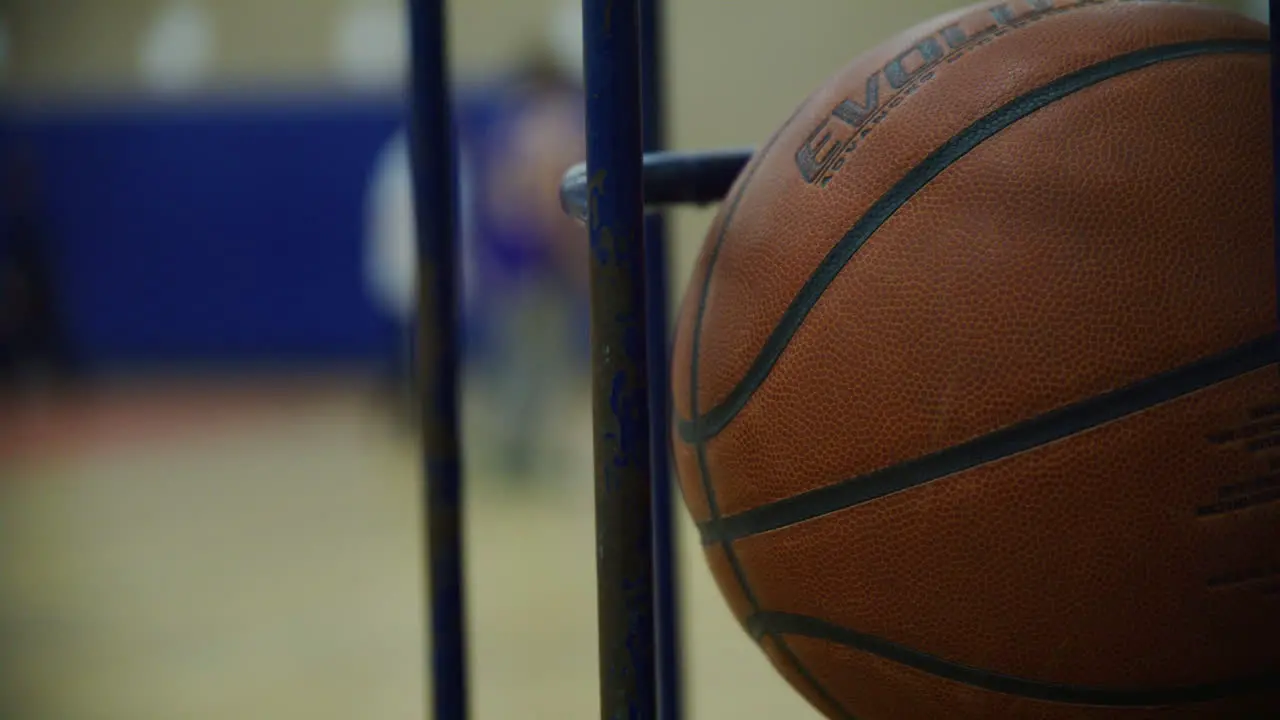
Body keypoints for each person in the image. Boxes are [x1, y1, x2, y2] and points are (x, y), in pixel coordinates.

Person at [363, 6, 589, 484]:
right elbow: (547, 206)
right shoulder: (551, 126)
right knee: (534, 361)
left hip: (507, 264)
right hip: (533, 263)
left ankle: (512, 453)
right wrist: (574, 264)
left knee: (518, 361)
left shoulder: (512, 126)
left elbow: (502, 200)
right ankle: (518, 456)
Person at [0, 147, 78, 391]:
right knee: (29, 331)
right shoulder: (18, 223)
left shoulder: (31, 222)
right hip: (29, 285)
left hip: (38, 286)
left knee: (45, 329)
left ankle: (63, 374)